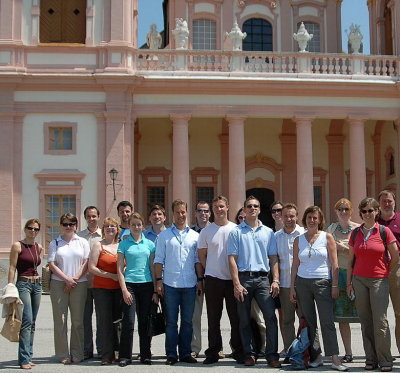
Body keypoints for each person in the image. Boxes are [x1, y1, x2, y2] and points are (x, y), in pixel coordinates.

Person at [290, 206, 348, 371]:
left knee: (327, 321)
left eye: (315, 218)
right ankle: (316, 357)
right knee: (309, 322)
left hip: (323, 283)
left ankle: (335, 359)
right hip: (302, 283)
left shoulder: (326, 237)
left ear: (320, 220)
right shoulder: (298, 240)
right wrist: (293, 287)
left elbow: (335, 264)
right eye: (309, 217)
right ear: (305, 220)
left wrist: (335, 285)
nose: (312, 220)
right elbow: (295, 265)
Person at [227, 196, 281, 368]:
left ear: (259, 209)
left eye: (255, 206)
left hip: (263, 279)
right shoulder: (236, 232)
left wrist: (276, 280)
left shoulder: (268, 232)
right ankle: (249, 354)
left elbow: (273, 258)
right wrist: (236, 284)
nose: (252, 208)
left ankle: (272, 355)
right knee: (244, 319)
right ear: (244, 209)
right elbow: (232, 259)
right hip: (244, 279)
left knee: (270, 317)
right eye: (249, 206)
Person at [347, 197, 399, 372]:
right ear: (361, 214)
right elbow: (350, 260)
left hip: (378, 280)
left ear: (376, 211)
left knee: (380, 321)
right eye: (364, 211)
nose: (367, 214)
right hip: (359, 279)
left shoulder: (384, 231)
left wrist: (387, 271)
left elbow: (395, 255)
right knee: (365, 321)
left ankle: (385, 360)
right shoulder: (355, 233)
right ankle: (371, 359)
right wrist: (349, 283)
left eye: (370, 210)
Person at [154, 199, 203, 365]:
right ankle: (171, 355)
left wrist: (200, 280)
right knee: (172, 322)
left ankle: (185, 353)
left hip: (190, 284)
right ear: (172, 214)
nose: (181, 215)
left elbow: (197, 260)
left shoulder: (195, 236)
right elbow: (159, 260)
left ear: (187, 213)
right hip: (170, 284)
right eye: (177, 212)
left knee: (188, 322)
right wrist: (159, 281)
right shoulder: (164, 236)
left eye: (183, 212)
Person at [197, 196, 243, 364]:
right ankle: (214, 351)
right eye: (215, 207)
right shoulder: (206, 231)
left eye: (221, 206)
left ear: (227, 207)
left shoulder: (236, 229)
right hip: (213, 279)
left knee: (235, 317)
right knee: (213, 317)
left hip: (232, 280)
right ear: (212, 210)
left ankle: (238, 350)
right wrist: (209, 267)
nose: (219, 209)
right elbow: (201, 254)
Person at [48, 213, 90, 364]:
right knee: (60, 320)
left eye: (71, 224)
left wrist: (74, 279)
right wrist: (66, 279)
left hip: (79, 283)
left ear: (76, 226)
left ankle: (77, 353)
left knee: (78, 320)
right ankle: (63, 354)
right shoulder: (55, 242)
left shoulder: (83, 242)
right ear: (61, 225)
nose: (68, 227)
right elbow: (52, 264)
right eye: (65, 224)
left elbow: (86, 261)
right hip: (59, 284)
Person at [117, 212, 158, 367]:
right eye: (133, 224)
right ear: (129, 226)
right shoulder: (124, 244)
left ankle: (145, 355)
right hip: (130, 285)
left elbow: (152, 268)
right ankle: (125, 356)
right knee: (128, 322)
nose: (136, 227)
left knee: (145, 322)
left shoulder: (149, 244)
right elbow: (120, 269)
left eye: (138, 224)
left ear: (143, 226)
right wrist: (124, 290)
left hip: (147, 285)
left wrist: (155, 290)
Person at [326, 199, 359, 363]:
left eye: (346, 209)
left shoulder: (358, 229)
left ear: (351, 211)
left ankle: (371, 352)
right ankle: (348, 352)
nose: (343, 211)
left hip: (356, 275)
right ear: (336, 211)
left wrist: (344, 248)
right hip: (337, 275)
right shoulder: (331, 229)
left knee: (364, 315)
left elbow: (362, 253)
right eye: (340, 209)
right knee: (342, 317)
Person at [7, 219, 43, 370]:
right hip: (23, 284)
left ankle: (29, 355)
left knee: (33, 322)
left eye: (35, 229)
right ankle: (23, 359)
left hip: (37, 285)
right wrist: (10, 286)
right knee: (26, 321)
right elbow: (12, 267)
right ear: (25, 229)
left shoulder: (38, 247)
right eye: (30, 228)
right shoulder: (17, 245)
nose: (32, 231)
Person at [88, 217, 122, 365]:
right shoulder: (98, 245)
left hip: (119, 289)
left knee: (118, 322)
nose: (110, 228)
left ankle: (118, 352)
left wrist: (120, 275)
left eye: (113, 226)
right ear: (103, 229)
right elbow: (92, 268)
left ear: (117, 229)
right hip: (102, 288)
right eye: (107, 226)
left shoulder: (121, 245)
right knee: (104, 321)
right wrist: (110, 276)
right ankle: (106, 355)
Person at [275, 203, 304, 360]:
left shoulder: (303, 234)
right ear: (281, 217)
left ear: (297, 216)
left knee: (305, 318)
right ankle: (290, 350)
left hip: (302, 283)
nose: (289, 219)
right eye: (286, 216)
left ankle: (307, 350)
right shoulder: (276, 236)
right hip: (285, 283)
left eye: (292, 215)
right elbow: (274, 259)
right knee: (287, 320)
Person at [77, 206, 102, 360]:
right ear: (85, 217)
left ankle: (101, 348)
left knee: (101, 317)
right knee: (85, 318)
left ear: (98, 217)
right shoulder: (79, 237)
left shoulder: (104, 235)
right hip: (84, 282)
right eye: (88, 216)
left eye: (94, 216)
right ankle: (86, 349)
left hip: (100, 282)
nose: (91, 218)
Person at [377, 190, 400, 355]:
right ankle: (383, 354)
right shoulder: (373, 222)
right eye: (384, 201)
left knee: (399, 312)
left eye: (389, 201)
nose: (387, 203)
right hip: (376, 270)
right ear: (379, 204)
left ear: (394, 202)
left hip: (396, 269)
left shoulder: (399, 219)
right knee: (379, 315)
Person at [190, 201, 211, 358]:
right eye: (199, 211)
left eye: (205, 211)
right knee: (195, 315)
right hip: (196, 278)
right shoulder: (190, 233)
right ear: (195, 213)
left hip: (215, 277)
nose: (203, 213)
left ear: (209, 213)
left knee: (215, 315)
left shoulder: (215, 230)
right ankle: (195, 347)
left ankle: (216, 347)